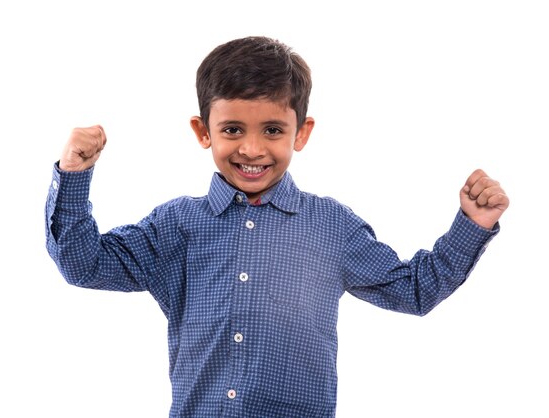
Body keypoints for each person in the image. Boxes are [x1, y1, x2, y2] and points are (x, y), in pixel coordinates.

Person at [45, 36, 509, 417]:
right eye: (231, 130)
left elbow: (413, 290)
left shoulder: (331, 226)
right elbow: (85, 265)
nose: (251, 149)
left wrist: (472, 224)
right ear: (202, 131)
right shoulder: (178, 225)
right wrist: (74, 176)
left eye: (271, 130)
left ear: (300, 133)